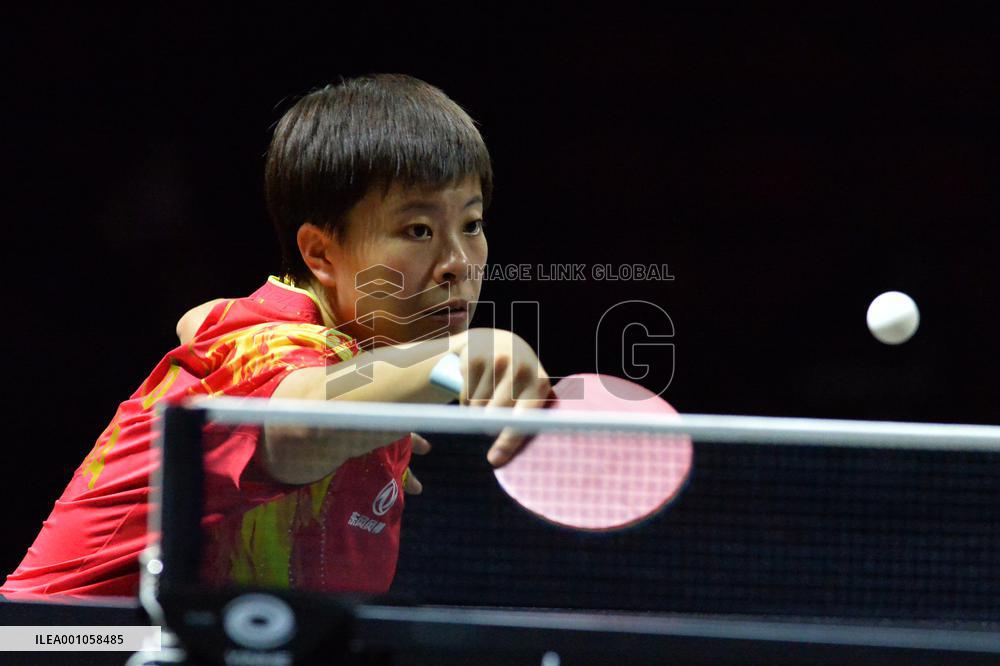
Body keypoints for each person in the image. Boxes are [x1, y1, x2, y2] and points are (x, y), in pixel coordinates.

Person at [1, 74, 551, 597]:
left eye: (472, 225)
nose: (458, 262)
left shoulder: (356, 364)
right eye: (418, 230)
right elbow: (300, 425)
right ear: (320, 252)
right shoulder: (263, 349)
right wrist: (458, 359)